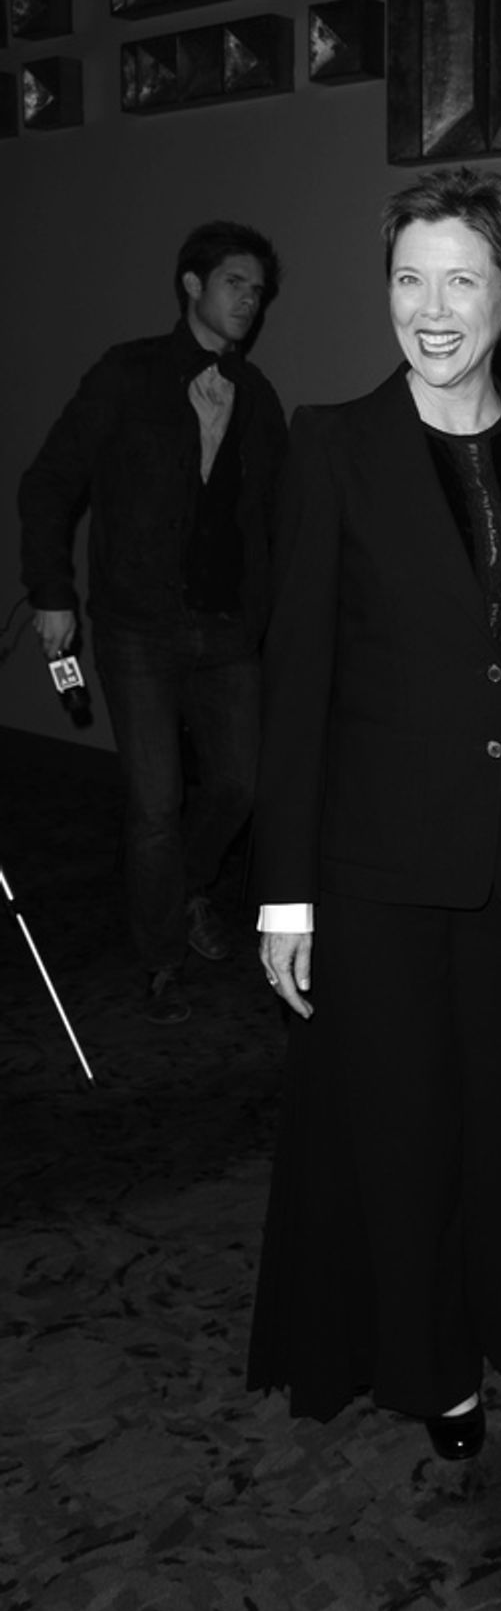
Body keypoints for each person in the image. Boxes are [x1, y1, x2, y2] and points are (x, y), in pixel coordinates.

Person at [247, 168, 501, 1459]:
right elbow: (296, 678)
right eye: (410, 277)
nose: (432, 306)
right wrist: (285, 887)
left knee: (496, 1116)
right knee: (398, 1119)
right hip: (377, 863)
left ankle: (484, 1318)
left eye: (462, 278)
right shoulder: (333, 440)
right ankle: (425, 1360)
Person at [19, 221, 287, 1026]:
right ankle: (159, 949)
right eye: (237, 282)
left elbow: (276, 518)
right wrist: (51, 593)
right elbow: (48, 483)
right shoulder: (128, 374)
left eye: (259, 290)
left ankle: (186, 888)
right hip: (138, 627)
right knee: (154, 804)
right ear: (191, 285)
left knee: (240, 783)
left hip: (228, 630)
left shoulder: (259, 395)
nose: (251, 300)